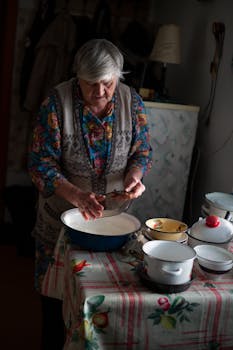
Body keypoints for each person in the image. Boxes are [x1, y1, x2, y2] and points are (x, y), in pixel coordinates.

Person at [28, 38, 153, 349]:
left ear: (118, 78)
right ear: (77, 78)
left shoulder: (132, 102)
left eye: (107, 84)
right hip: (60, 221)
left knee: (107, 303)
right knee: (55, 303)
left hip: (112, 225)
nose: (99, 92)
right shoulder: (56, 104)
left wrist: (134, 177)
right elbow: (39, 161)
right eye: (90, 84)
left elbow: (143, 151)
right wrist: (75, 195)